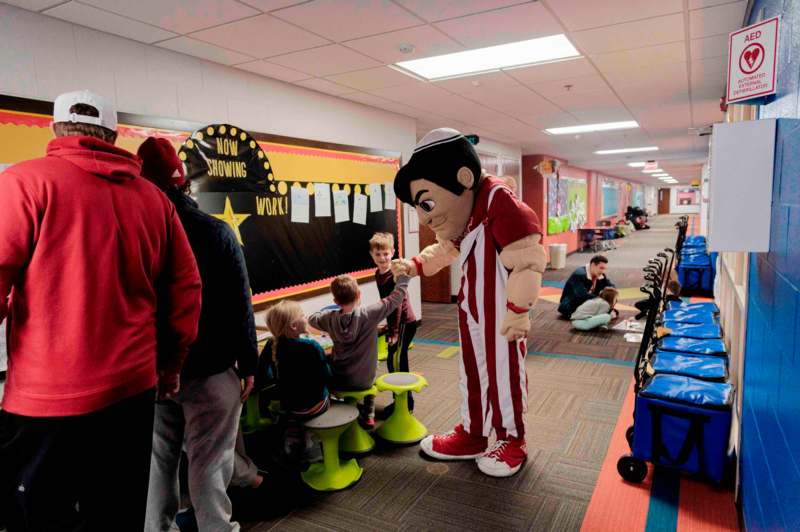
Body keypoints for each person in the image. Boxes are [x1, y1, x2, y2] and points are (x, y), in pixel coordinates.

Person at [0, 90, 201, 531]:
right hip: (131, 391)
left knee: (40, 519)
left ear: (54, 129)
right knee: (117, 514)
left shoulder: (24, 183)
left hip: (46, 398)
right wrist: (170, 366)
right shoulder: (154, 200)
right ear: (112, 136)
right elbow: (186, 288)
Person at [392, 128, 546, 478]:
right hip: (472, 310)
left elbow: (527, 259)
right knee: (473, 373)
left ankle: (512, 439)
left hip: (503, 314)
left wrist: (520, 310)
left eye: (426, 204)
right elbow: (448, 246)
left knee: (504, 375)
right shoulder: (468, 212)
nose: (425, 216)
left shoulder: (500, 204)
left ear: (463, 177)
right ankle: (474, 433)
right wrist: (417, 265)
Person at [138, 137, 259, 532]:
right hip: (210, 371)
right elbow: (241, 302)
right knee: (210, 461)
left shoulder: (134, 233)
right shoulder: (216, 231)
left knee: (159, 460)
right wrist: (249, 364)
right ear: (184, 182)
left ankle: (157, 528)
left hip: (152, 373)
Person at [309, 273, 410, 427]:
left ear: (335, 301)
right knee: (371, 365)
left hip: (340, 379)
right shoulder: (368, 314)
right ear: (358, 295)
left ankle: (340, 410)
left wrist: (328, 314)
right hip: (364, 381)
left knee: (325, 362)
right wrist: (404, 277)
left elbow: (312, 318)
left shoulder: (329, 318)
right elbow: (394, 299)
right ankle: (369, 414)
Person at [264, 300, 331, 459]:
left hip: (289, 405)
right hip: (315, 406)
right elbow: (327, 376)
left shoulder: (271, 344)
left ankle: (293, 431)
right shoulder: (312, 347)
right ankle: (309, 435)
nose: (305, 316)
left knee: (295, 405)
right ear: (294, 326)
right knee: (331, 393)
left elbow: (265, 375)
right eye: (302, 315)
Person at [370, 232, 418, 415]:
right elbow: (386, 303)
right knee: (393, 362)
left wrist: (395, 332)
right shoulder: (378, 273)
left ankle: (406, 404)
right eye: (378, 254)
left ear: (393, 252)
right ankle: (399, 401)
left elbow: (396, 305)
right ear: (372, 255)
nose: (382, 258)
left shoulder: (394, 274)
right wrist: (387, 325)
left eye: (386, 254)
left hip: (405, 323)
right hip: (395, 324)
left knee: (398, 362)